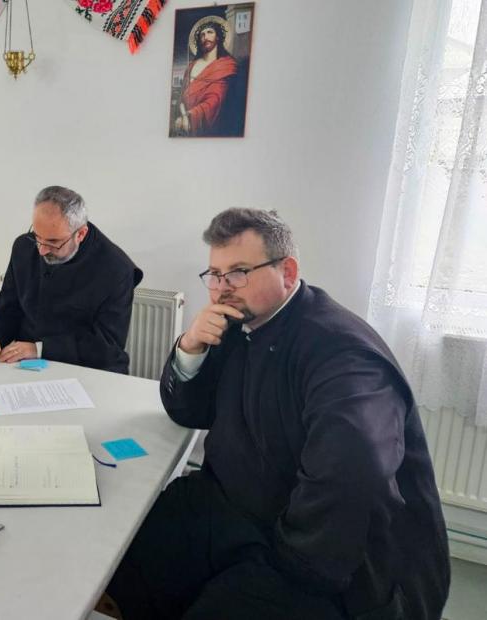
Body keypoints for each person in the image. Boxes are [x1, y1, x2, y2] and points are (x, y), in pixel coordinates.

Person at [105, 209, 449, 619]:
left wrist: (284, 566)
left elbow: (353, 479)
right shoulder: (239, 323)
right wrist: (191, 347)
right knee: (123, 555)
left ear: (287, 272)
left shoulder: (342, 353)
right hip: (238, 502)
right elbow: (189, 412)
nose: (222, 289)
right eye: (215, 274)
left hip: (327, 551)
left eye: (238, 273)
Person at [0, 186, 142, 374]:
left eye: (53, 242)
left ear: (80, 234)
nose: (41, 250)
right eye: (37, 237)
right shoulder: (24, 246)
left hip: (92, 370)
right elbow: (7, 309)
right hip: (29, 367)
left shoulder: (117, 269)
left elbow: (107, 345)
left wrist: (39, 349)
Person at [174, 19, 238, 136]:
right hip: (183, 119)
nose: (205, 37)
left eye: (210, 32)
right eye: (202, 35)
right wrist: (182, 113)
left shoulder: (226, 65)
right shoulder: (191, 66)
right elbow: (183, 95)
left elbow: (216, 99)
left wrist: (189, 116)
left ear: (218, 37)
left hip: (209, 126)